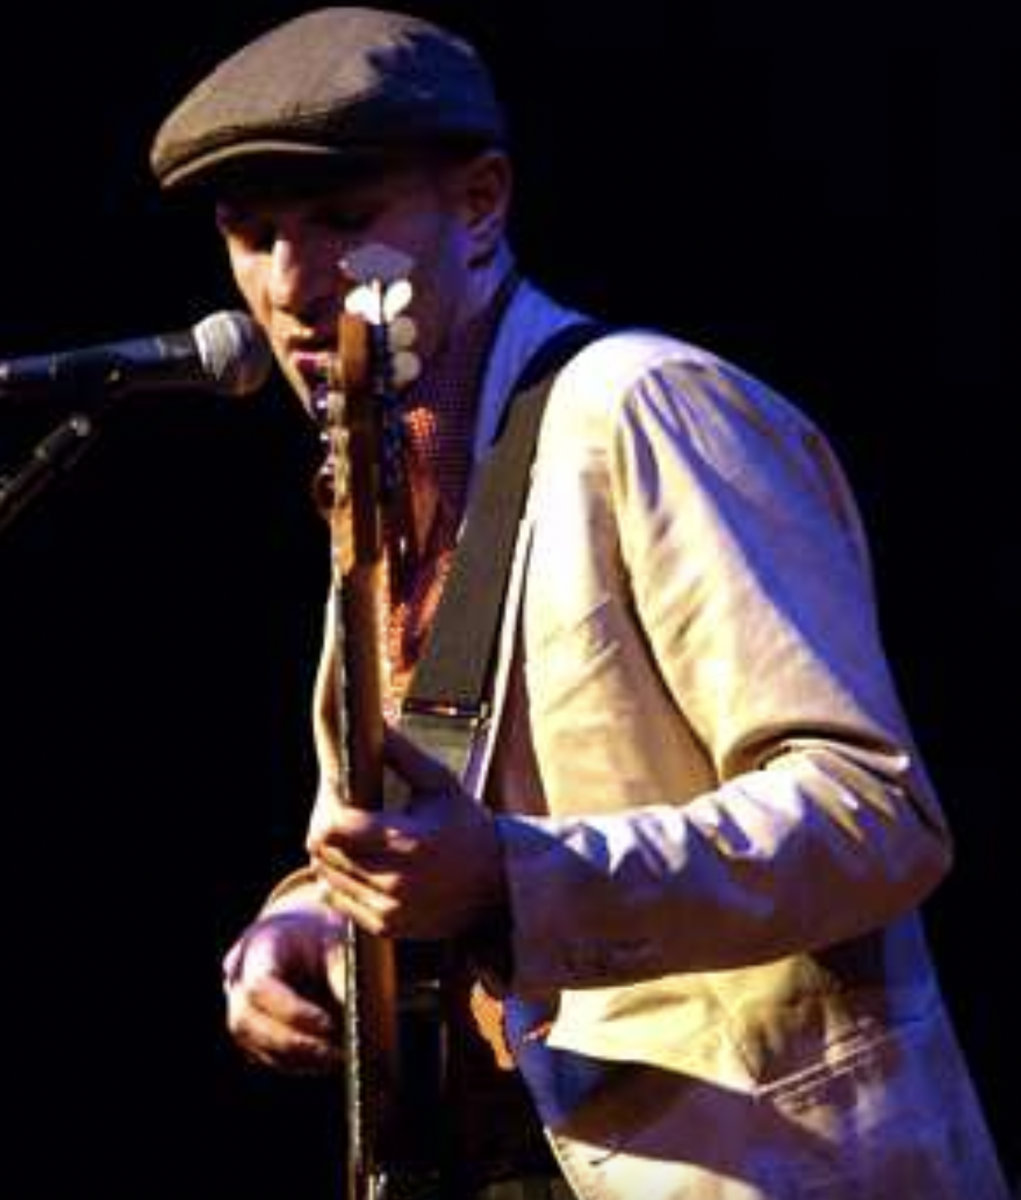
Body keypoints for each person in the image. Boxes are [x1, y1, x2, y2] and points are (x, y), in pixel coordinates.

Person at [149, 7, 1009, 1199]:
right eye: (252, 237)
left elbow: (874, 812)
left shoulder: (645, 410)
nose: (288, 287)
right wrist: (309, 923)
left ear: (480, 204)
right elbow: (412, 831)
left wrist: (511, 876)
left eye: (344, 220)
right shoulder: (382, 483)